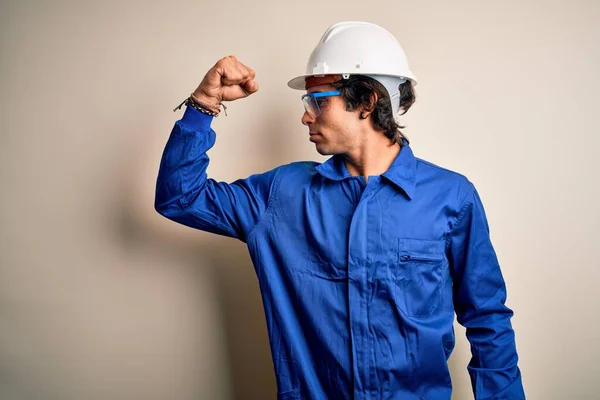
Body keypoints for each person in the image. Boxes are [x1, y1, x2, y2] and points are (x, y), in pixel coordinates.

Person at [155, 21, 525, 400]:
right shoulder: (280, 195)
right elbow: (178, 197)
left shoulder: (451, 196)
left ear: (367, 101)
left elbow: (487, 318)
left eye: (318, 101)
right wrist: (203, 103)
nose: (305, 116)